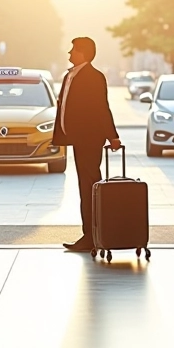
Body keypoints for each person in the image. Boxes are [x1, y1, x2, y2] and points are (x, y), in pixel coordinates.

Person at [52, 36, 122, 252]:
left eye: (73, 50)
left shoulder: (94, 77)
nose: (69, 53)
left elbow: (102, 107)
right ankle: (90, 234)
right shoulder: (70, 75)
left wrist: (112, 136)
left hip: (89, 140)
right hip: (77, 140)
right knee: (85, 186)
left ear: (83, 52)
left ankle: (92, 236)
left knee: (89, 187)